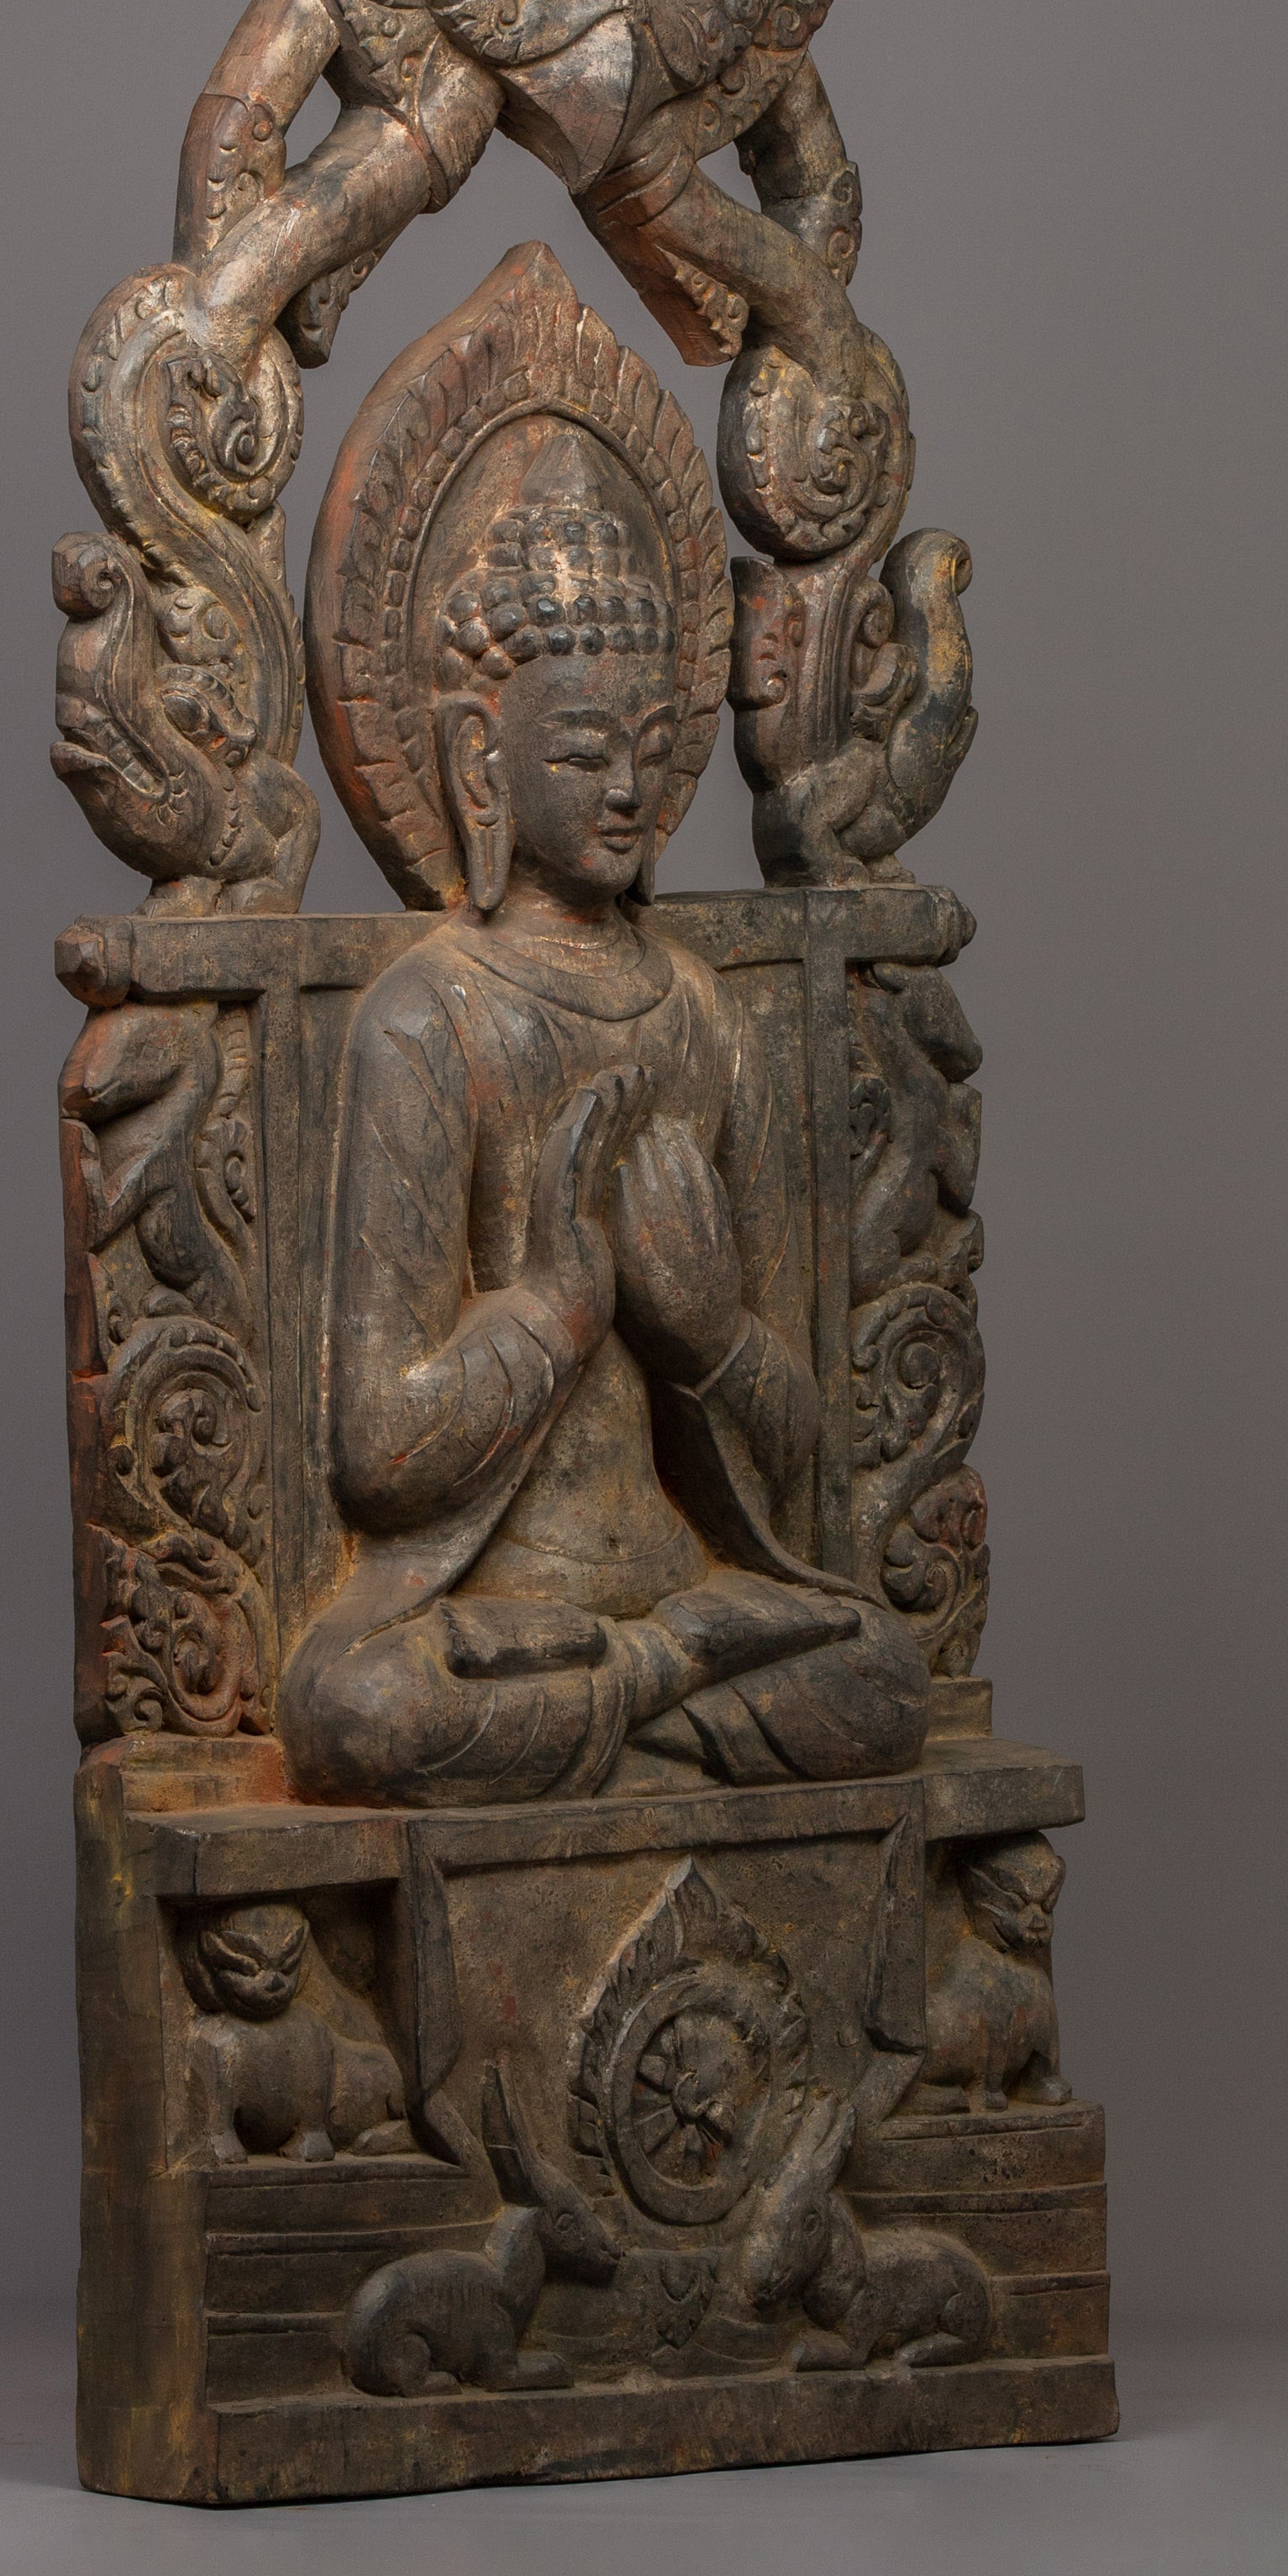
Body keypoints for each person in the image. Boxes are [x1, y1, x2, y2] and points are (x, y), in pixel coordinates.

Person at [277, 427, 928, 1806]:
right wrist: (557, 1308)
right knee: (357, 1713)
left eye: (650, 749)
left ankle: (624, 1694)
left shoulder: (704, 1017)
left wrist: (708, 1333)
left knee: (883, 1676)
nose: (631, 790)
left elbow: (799, 1447)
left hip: (683, 1578)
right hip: (488, 1610)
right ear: (479, 762)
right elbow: (376, 1453)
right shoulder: (426, 1019)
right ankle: (652, 1691)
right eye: (584, 751)